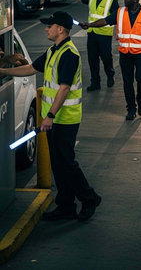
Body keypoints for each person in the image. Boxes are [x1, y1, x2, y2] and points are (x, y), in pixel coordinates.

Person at [0, 11, 101, 221]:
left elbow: (64, 89)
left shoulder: (69, 54)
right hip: (55, 119)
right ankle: (66, 206)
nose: (46, 29)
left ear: (60, 29)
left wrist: (50, 116)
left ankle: (89, 197)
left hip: (65, 119)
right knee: (58, 164)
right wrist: (3, 71)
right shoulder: (54, 50)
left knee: (67, 163)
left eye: (49, 26)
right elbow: (30, 69)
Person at [82, 0, 141, 121]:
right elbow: (105, 21)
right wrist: (90, 24)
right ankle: (131, 109)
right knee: (127, 82)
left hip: (140, 54)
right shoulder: (120, 12)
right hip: (125, 54)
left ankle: (140, 101)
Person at [66, 0, 119, 91]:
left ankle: (110, 74)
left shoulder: (112, 0)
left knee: (106, 58)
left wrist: (117, 30)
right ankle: (95, 83)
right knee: (92, 59)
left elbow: (117, 17)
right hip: (92, 33)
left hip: (104, 34)